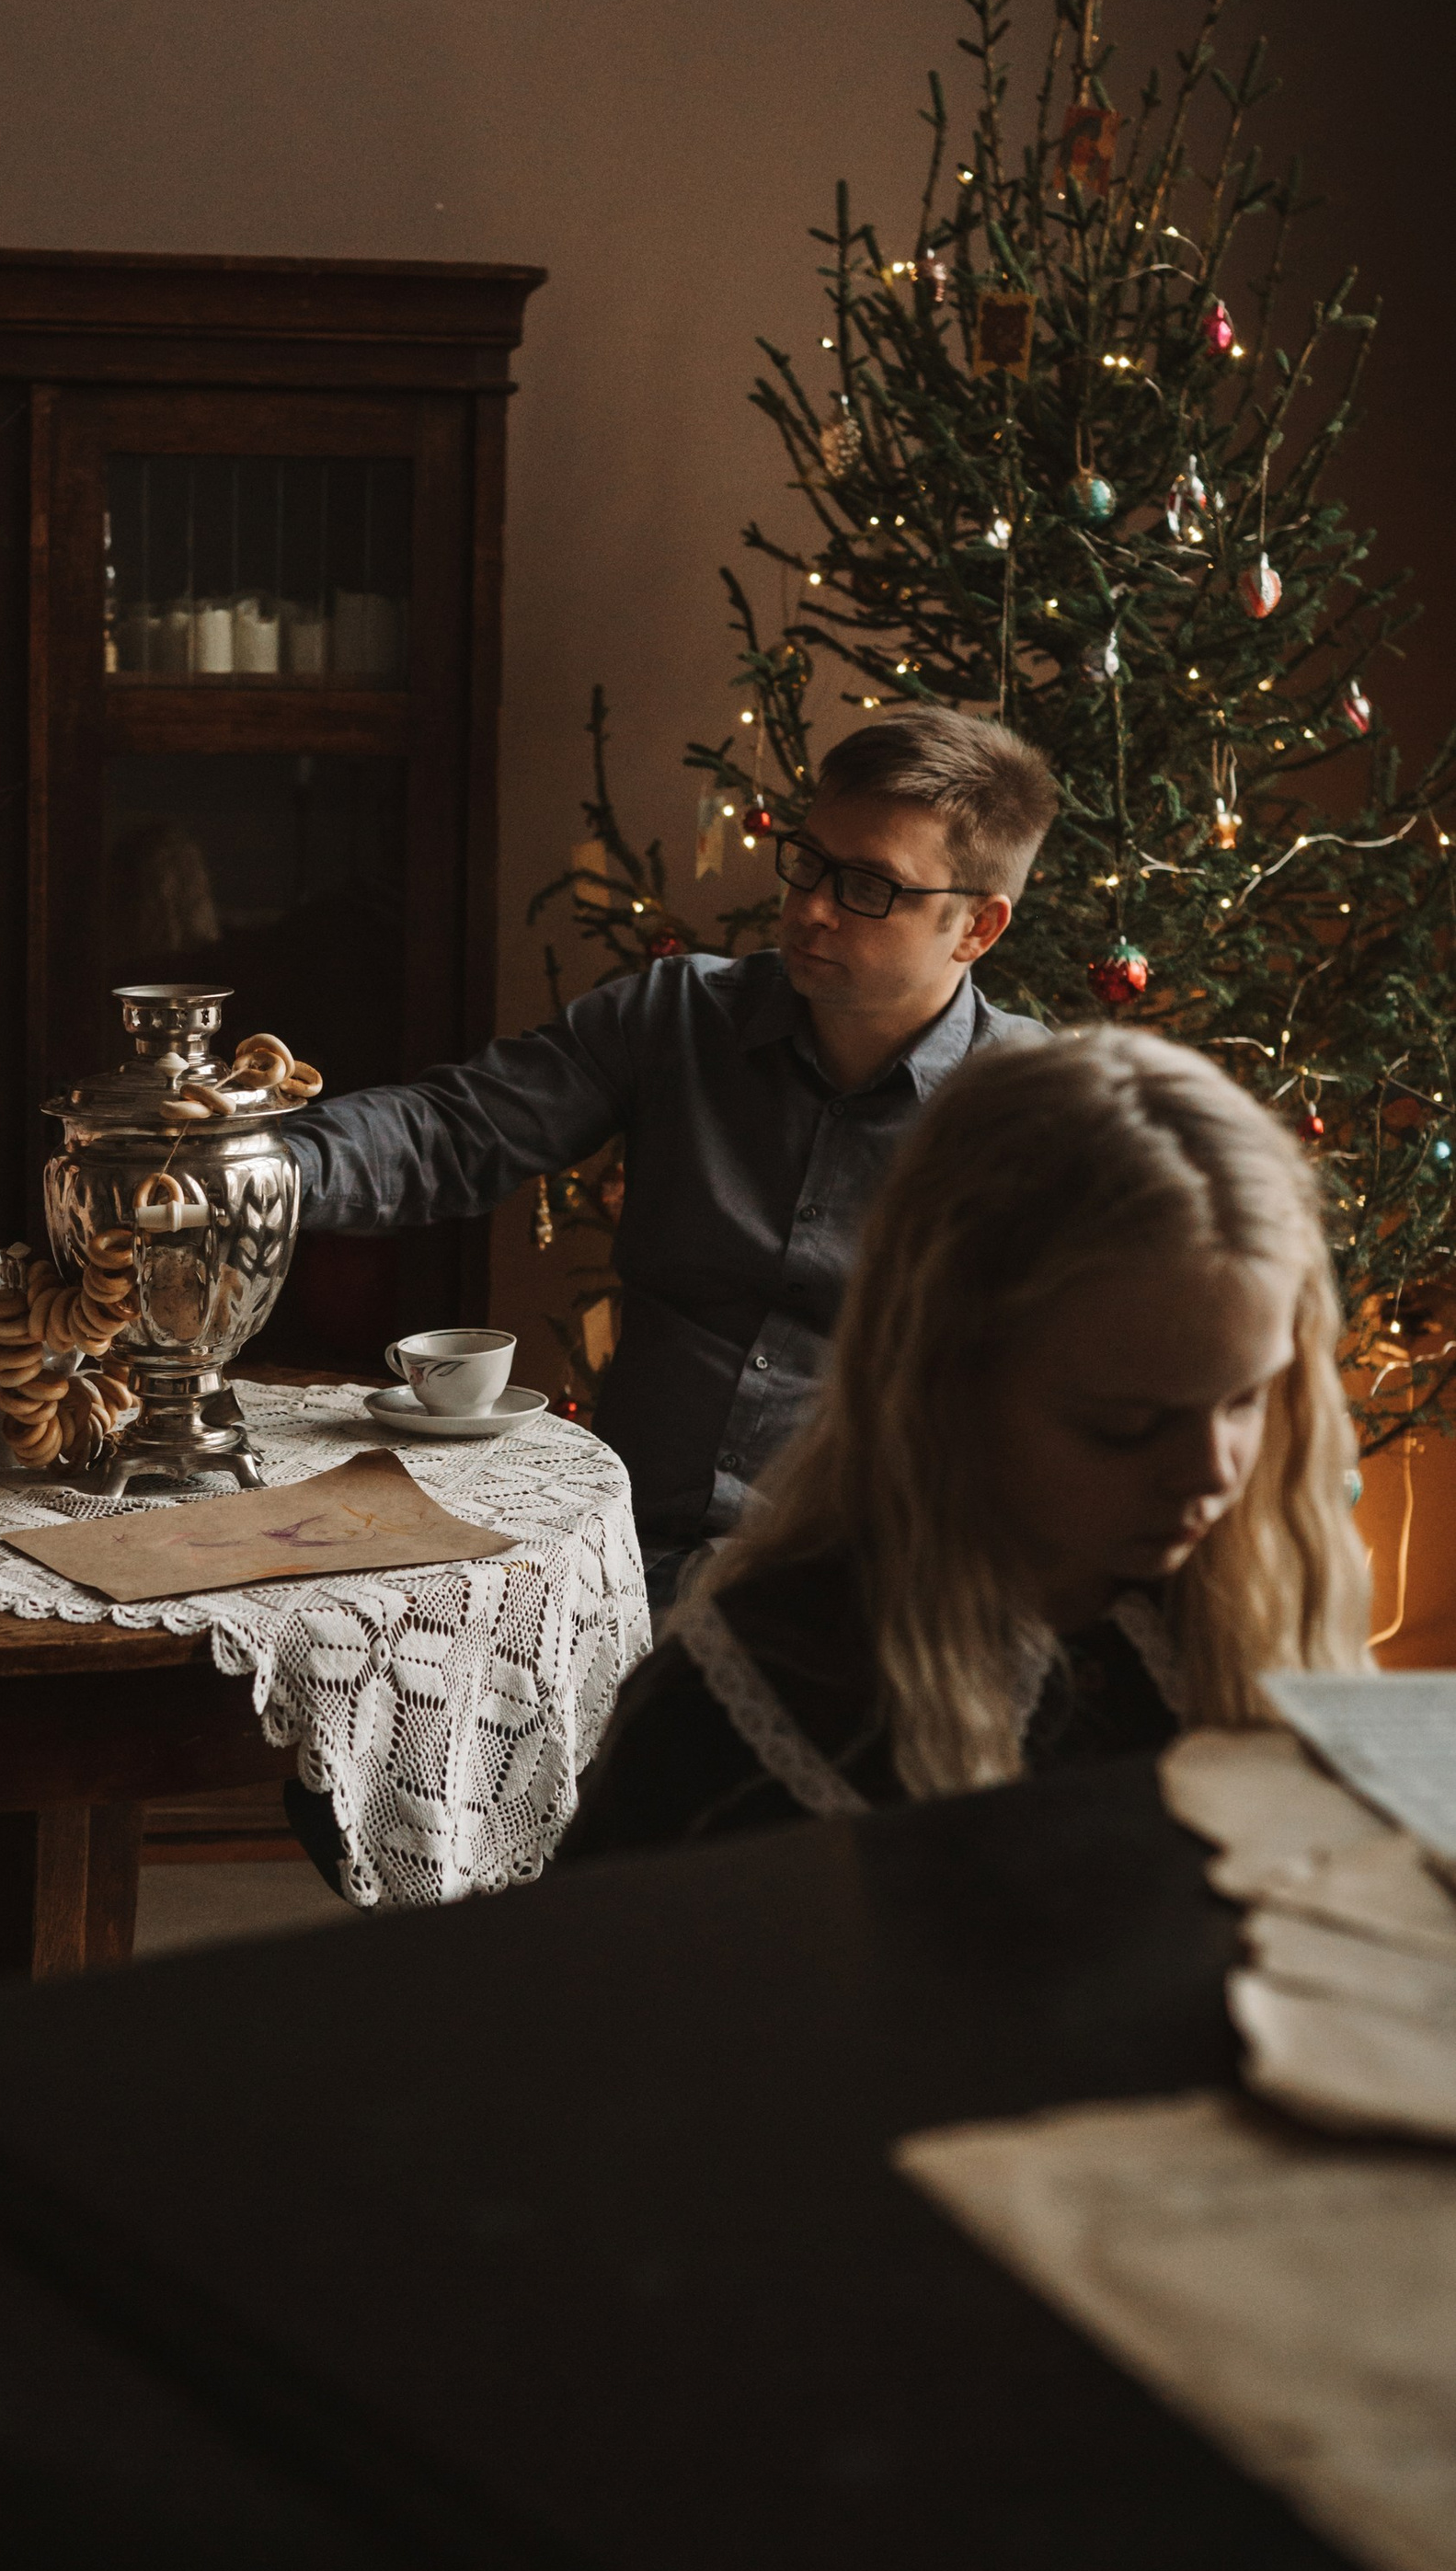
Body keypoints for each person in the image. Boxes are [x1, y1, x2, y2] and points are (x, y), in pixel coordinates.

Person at [288, 708, 1060, 1590]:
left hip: (855, 1596)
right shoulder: (678, 1015)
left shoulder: (1036, 1115)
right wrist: (266, 1172)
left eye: (867, 887)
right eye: (807, 861)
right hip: (606, 1555)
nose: (810, 907)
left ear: (978, 928)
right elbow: (451, 1130)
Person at [564, 1027, 1372, 1856]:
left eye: (1247, 1400)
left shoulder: (1250, 1604)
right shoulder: (748, 1710)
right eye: (1125, 1427)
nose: (1210, 1474)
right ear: (950, 1380)